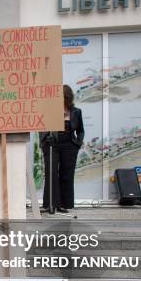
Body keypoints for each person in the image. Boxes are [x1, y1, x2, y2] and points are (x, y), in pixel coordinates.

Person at [40, 84, 85, 213]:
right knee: (51, 173)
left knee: (67, 174)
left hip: (69, 146)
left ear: (68, 98)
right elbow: (42, 126)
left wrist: (77, 143)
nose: (62, 100)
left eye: (64, 98)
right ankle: (51, 205)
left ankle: (64, 204)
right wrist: (44, 141)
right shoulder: (50, 110)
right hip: (52, 144)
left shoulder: (76, 112)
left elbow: (81, 130)